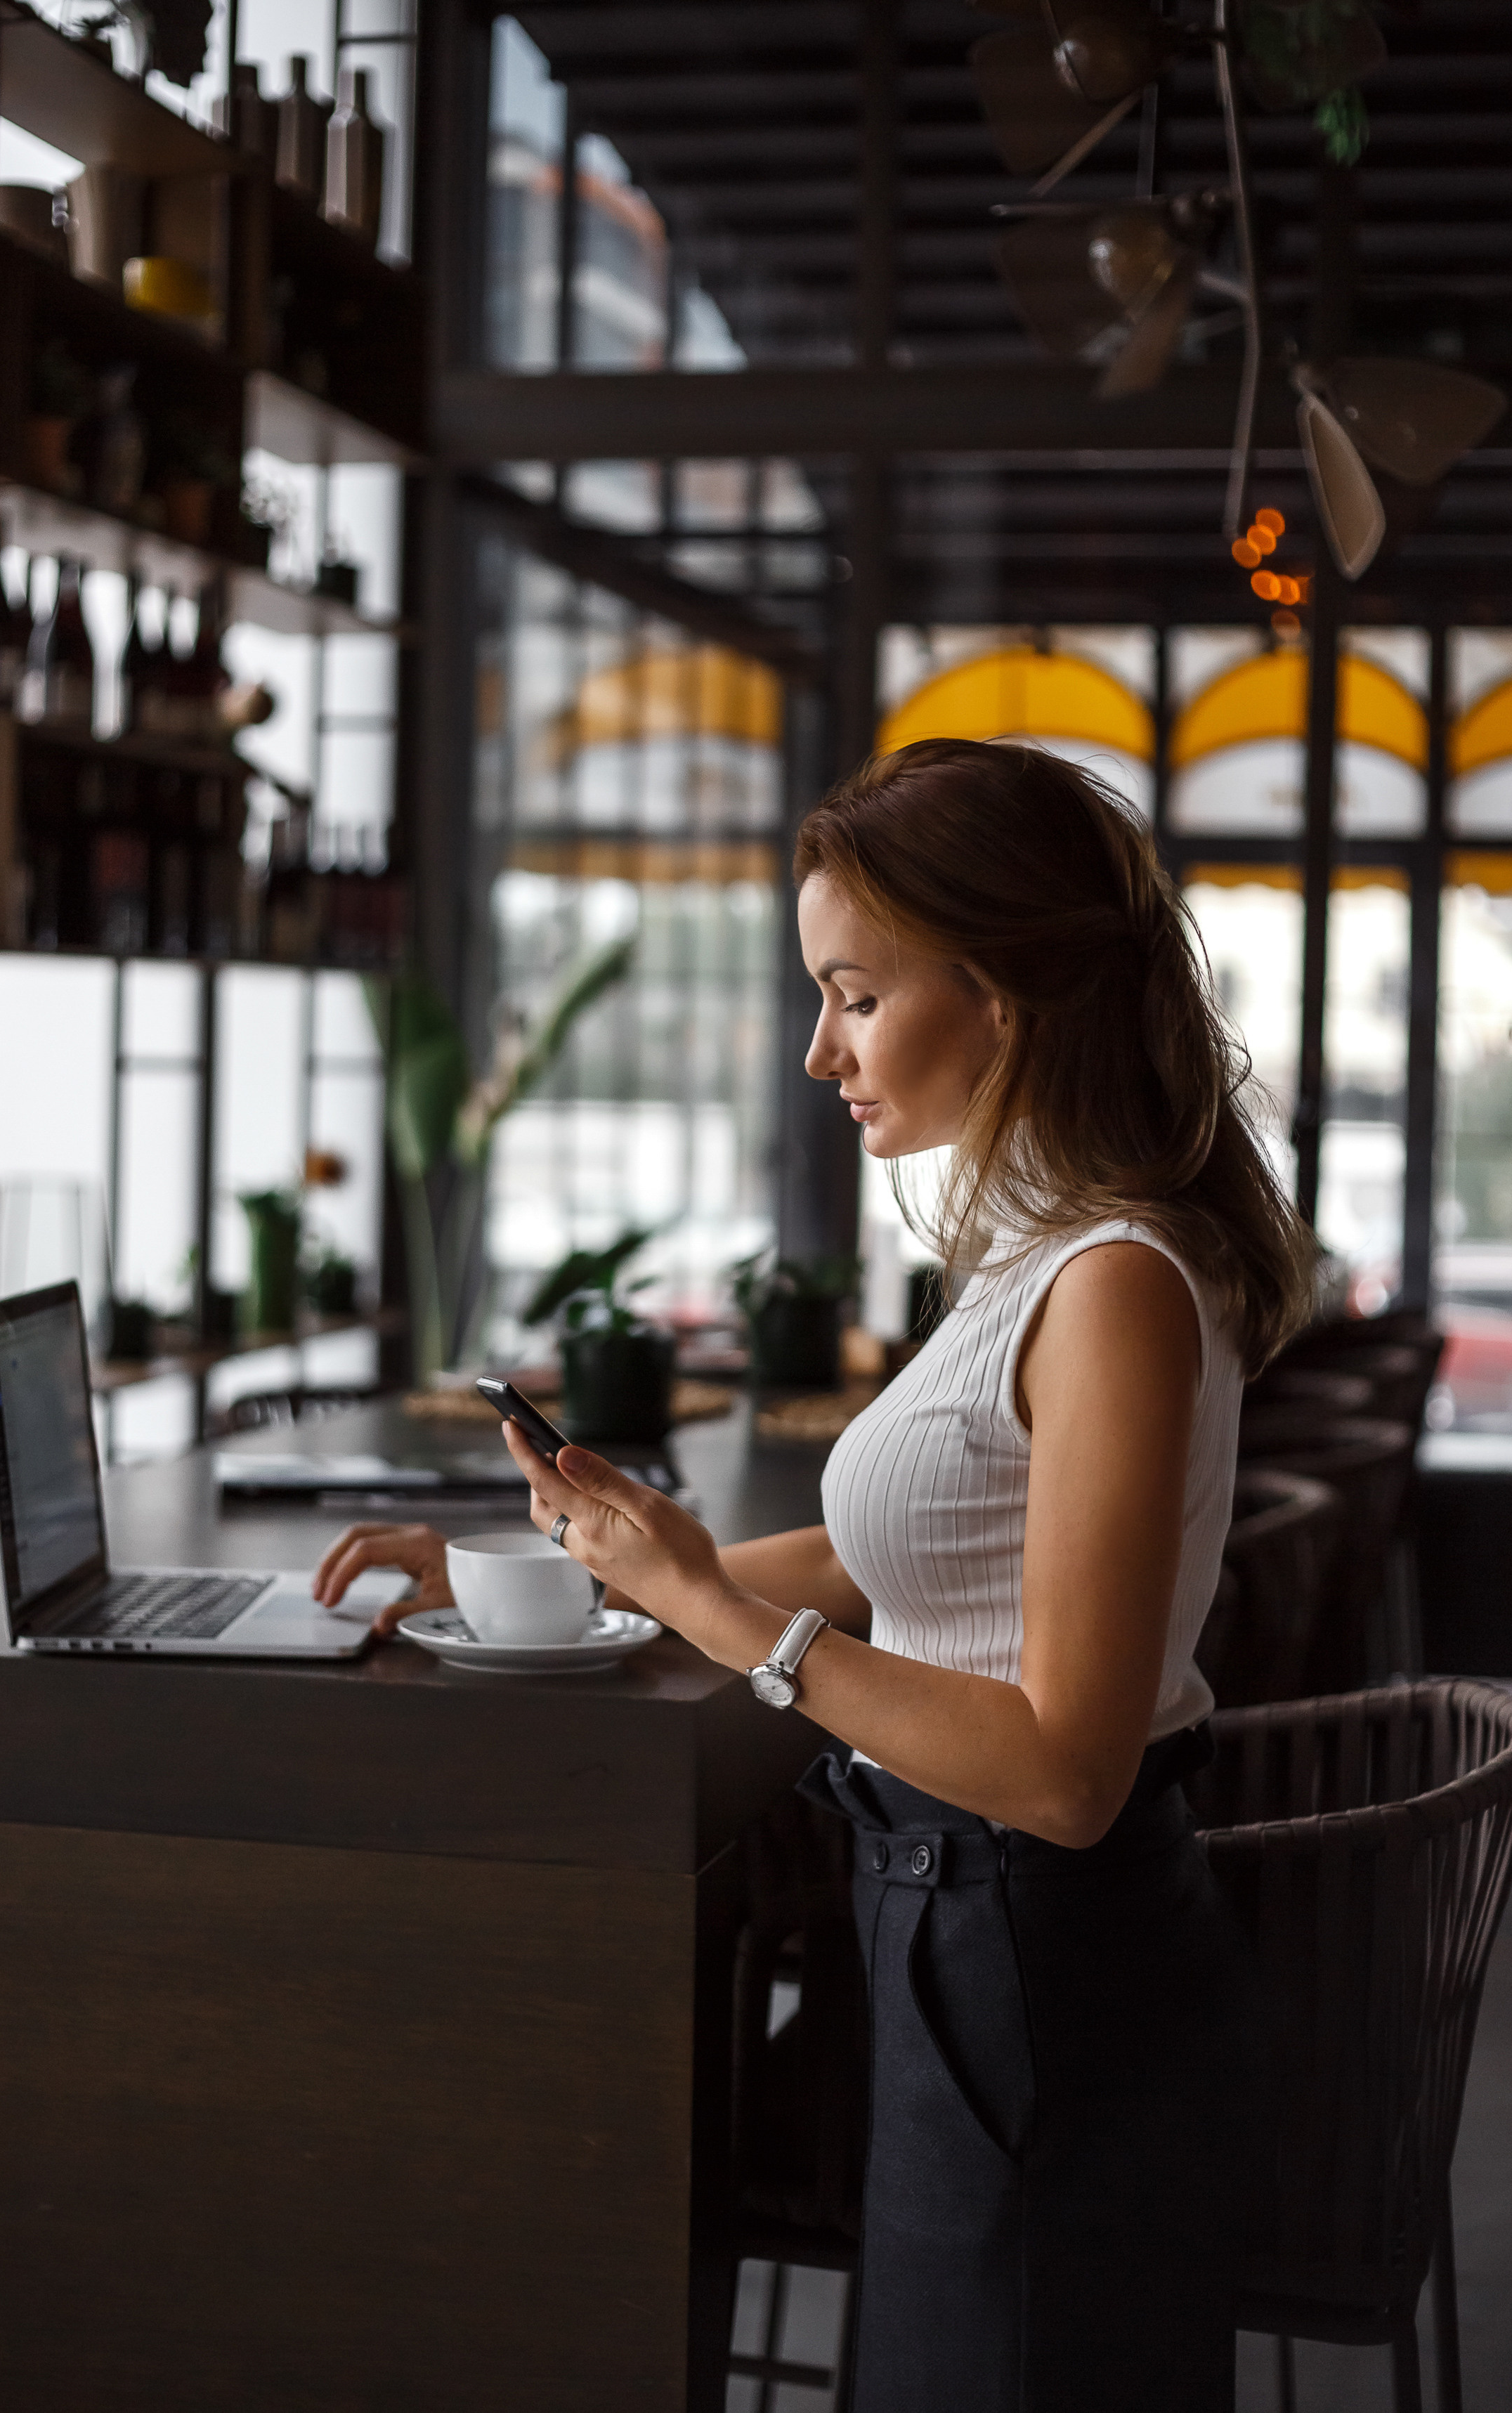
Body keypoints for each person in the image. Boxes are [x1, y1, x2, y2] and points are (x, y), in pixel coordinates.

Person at [315, 738, 1317, 2413]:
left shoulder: (1118, 1280)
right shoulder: (1039, 1251)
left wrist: (717, 1615)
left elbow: (1066, 1771)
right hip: (963, 1934)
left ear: (997, 988)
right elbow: (892, 1554)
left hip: (1038, 1948)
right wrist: (561, 1554)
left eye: (853, 993)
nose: (816, 1047)